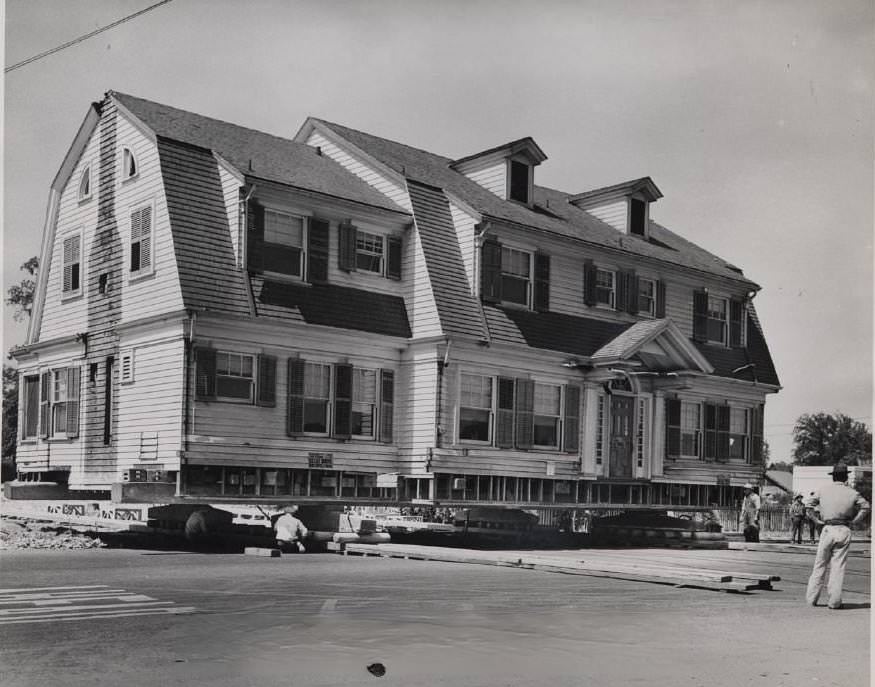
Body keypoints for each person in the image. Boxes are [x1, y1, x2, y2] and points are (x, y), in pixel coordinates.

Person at [805, 462, 870, 610]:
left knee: (820, 564)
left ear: (833, 477)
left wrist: (816, 520)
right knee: (838, 566)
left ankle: (811, 599)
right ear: (845, 477)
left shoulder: (823, 490)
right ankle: (834, 601)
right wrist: (855, 521)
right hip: (844, 528)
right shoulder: (852, 492)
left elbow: (808, 506)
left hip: (827, 528)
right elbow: (866, 506)